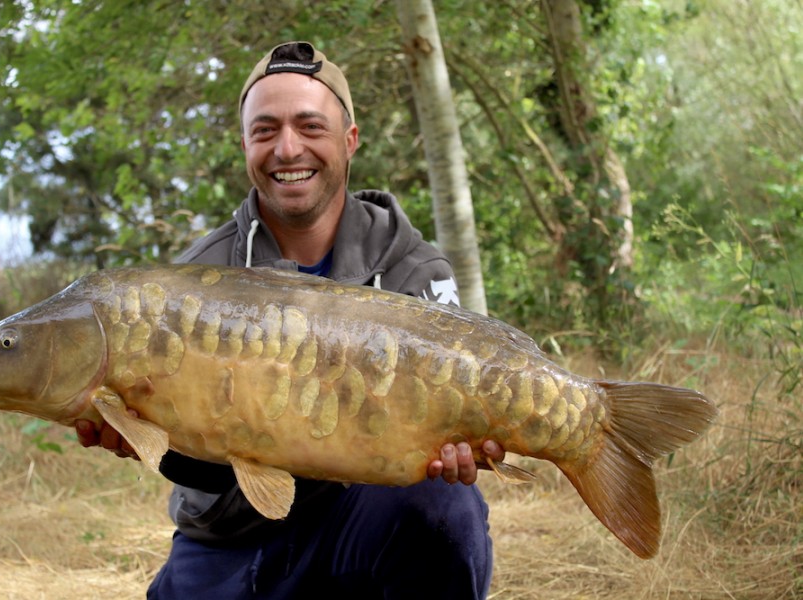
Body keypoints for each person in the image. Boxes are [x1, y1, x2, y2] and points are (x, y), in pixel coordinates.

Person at [76, 41, 503, 599]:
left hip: (361, 524)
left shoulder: (416, 269)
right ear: (246, 145)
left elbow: (470, 423)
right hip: (232, 536)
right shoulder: (195, 276)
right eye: (265, 130)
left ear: (350, 141)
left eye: (310, 126)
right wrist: (146, 436)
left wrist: (468, 447)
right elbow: (198, 470)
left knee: (447, 508)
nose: (287, 148)